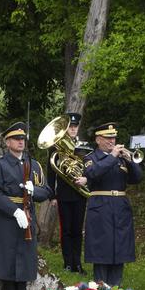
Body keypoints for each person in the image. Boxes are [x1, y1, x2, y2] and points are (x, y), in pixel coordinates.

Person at [0, 122, 51, 290]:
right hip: (7, 219)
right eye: (16, 139)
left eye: (23, 139)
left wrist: (34, 190)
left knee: (25, 259)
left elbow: (47, 192)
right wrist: (14, 211)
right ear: (7, 142)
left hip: (28, 214)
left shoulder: (33, 165)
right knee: (8, 260)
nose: (21, 142)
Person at [82, 122, 142, 286]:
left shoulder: (121, 158)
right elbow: (92, 173)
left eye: (113, 137)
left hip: (120, 206)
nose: (111, 141)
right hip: (100, 206)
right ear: (98, 140)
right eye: (107, 138)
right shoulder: (90, 158)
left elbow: (137, 179)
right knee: (101, 249)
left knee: (120, 247)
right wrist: (112, 156)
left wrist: (130, 161)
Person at [46, 112, 89, 274]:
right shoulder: (56, 147)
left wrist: (87, 181)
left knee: (78, 230)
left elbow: (89, 169)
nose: (72, 129)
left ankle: (77, 263)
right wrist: (52, 195)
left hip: (80, 193)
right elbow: (51, 172)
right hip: (63, 194)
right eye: (70, 127)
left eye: (75, 126)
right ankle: (68, 263)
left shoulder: (83, 146)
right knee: (66, 229)